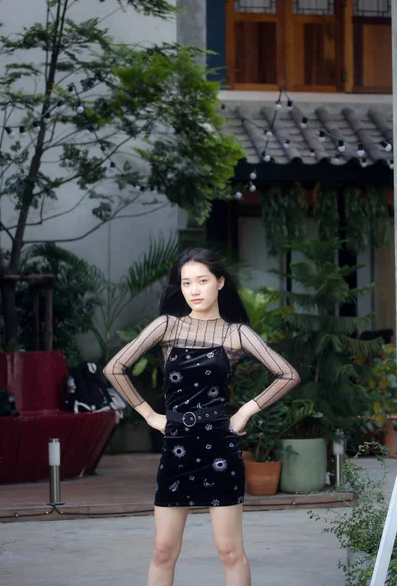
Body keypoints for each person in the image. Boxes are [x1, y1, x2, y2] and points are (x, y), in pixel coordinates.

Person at [103, 248, 300, 586]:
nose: (194, 290)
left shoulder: (235, 334)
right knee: (163, 551)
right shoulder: (167, 326)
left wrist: (245, 411)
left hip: (219, 448)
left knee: (229, 551)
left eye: (202, 281)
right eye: (186, 283)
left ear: (220, 283)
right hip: (176, 444)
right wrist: (149, 414)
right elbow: (115, 368)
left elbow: (287, 374)